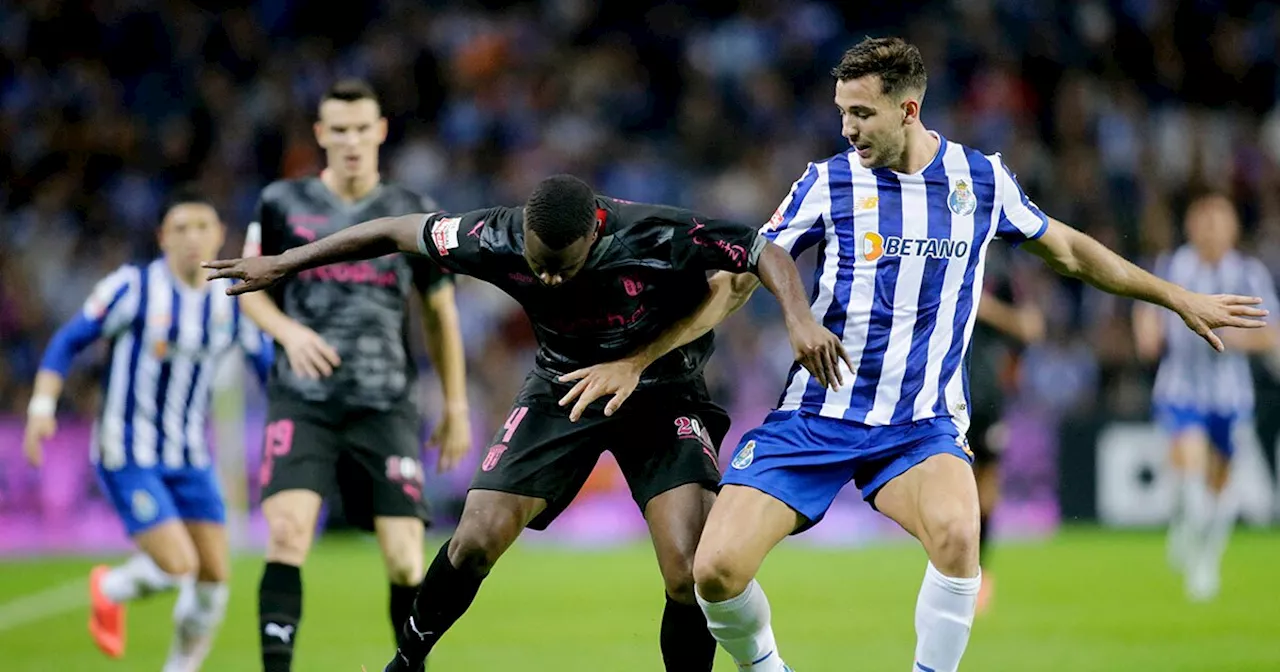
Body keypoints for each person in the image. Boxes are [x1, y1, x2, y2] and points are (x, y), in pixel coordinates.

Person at [562, 37, 1268, 672]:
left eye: (862, 114)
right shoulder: (829, 181)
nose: (847, 128)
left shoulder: (979, 181)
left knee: (961, 536)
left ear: (907, 109)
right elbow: (744, 274)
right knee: (713, 572)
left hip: (919, 424)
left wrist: (1173, 296)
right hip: (816, 416)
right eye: (842, 111)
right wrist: (639, 357)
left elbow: (1070, 251)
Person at [206, 173, 848, 672]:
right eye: (538, 262)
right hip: (560, 387)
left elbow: (763, 251)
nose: (546, 276)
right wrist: (286, 262)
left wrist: (796, 317)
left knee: (687, 573)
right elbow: (394, 231)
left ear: (594, 236)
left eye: (562, 266)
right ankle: (406, 659)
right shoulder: (496, 234)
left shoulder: (651, 232)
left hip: (661, 390)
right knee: (475, 537)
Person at [235, 79, 471, 672]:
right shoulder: (280, 203)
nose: (351, 140)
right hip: (303, 399)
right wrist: (288, 332)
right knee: (287, 533)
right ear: (320, 134)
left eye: (362, 128)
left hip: (385, 400)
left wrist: (457, 408)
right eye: (338, 129)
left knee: (405, 560)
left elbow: (440, 312)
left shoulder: (411, 208)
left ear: (380, 132)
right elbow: (248, 289)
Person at [23, 190, 270, 671]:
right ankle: (109, 588)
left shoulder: (232, 300)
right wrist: (41, 406)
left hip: (189, 455)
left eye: (202, 226)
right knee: (179, 566)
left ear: (220, 235)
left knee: (215, 576)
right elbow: (67, 341)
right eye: (180, 228)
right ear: (162, 238)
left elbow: (267, 367)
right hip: (126, 450)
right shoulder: (131, 287)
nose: (192, 238)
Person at [1133, 192, 1279, 602]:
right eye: (1204, 220)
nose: (1211, 228)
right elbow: (1146, 303)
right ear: (1191, 227)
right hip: (1181, 388)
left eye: (1220, 220)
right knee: (1190, 467)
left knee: (1219, 485)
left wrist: (1231, 336)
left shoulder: (1248, 273)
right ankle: (1190, 540)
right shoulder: (1173, 266)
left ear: (1233, 228)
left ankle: (1207, 557)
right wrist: (1146, 330)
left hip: (1230, 395)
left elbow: (1271, 333)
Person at [969, 253, 1046, 613]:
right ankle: (952, 570)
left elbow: (1031, 327)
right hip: (938, 390)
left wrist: (983, 307)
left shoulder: (998, 268)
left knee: (985, 481)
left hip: (986, 391)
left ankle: (981, 570)